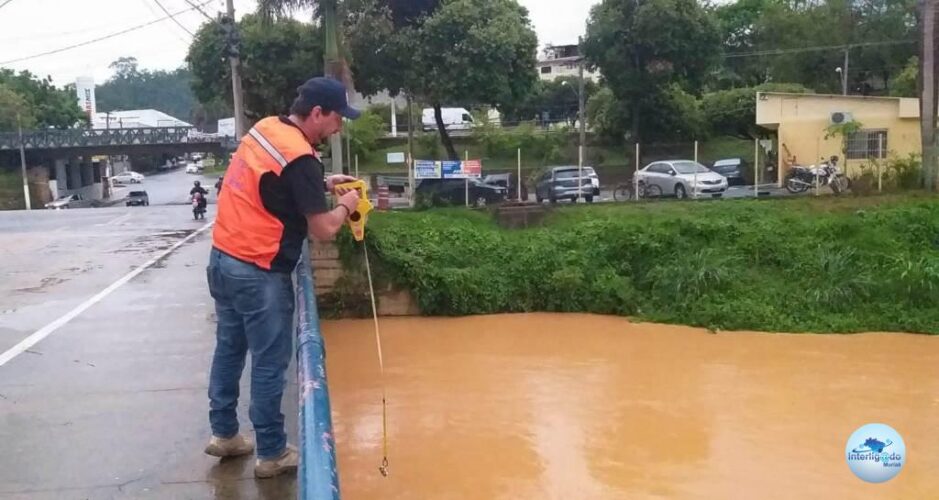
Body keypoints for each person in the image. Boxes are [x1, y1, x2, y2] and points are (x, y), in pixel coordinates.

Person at [203, 77, 362, 479]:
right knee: (270, 364)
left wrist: (320, 185)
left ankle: (224, 434)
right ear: (317, 113)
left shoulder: (267, 129)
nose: (339, 127)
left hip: (223, 259)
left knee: (229, 348)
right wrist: (344, 205)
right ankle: (272, 452)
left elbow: (273, 183)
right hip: (258, 270)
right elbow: (323, 228)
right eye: (337, 118)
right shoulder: (302, 158)